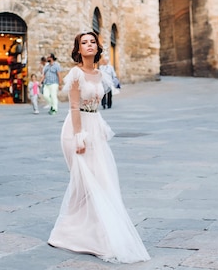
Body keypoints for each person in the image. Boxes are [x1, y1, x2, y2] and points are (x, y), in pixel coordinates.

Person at [48, 32, 150, 264]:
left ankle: (89, 232)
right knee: (85, 182)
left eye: (92, 41)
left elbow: (96, 106)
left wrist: (99, 127)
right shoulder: (76, 73)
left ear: (97, 47)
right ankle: (73, 232)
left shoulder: (101, 74)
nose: (89, 45)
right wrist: (79, 137)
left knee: (101, 181)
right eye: (84, 42)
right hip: (76, 129)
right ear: (78, 49)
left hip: (95, 126)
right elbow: (75, 107)